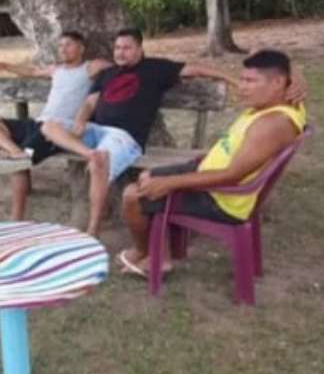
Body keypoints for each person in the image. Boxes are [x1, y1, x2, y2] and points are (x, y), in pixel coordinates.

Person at [116, 49, 307, 276]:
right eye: (242, 79)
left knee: (132, 196)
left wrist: (171, 183)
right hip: (208, 170)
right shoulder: (288, 101)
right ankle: (159, 251)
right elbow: (274, 60)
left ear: (277, 83)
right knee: (147, 176)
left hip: (222, 197)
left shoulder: (273, 123)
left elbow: (233, 175)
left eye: (250, 81)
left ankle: (148, 254)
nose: (241, 86)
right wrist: (297, 73)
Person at [41, 28, 238, 237]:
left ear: (139, 49)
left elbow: (196, 69)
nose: (120, 53)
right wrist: (80, 122)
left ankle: (93, 228)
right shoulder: (107, 73)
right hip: (96, 131)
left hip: (124, 137)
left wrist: (232, 78)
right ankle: (90, 153)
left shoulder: (155, 68)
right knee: (49, 125)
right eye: (117, 48)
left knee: (99, 163)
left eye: (127, 48)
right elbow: (89, 103)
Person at [0, 31, 111, 220]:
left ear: (81, 48)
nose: (63, 49)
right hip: (38, 123)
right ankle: (14, 151)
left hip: (58, 130)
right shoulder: (56, 70)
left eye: (68, 44)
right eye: (60, 45)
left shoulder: (89, 68)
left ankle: (16, 220)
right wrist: (4, 65)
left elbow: (116, 66)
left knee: (18, 165)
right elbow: (32, 71)